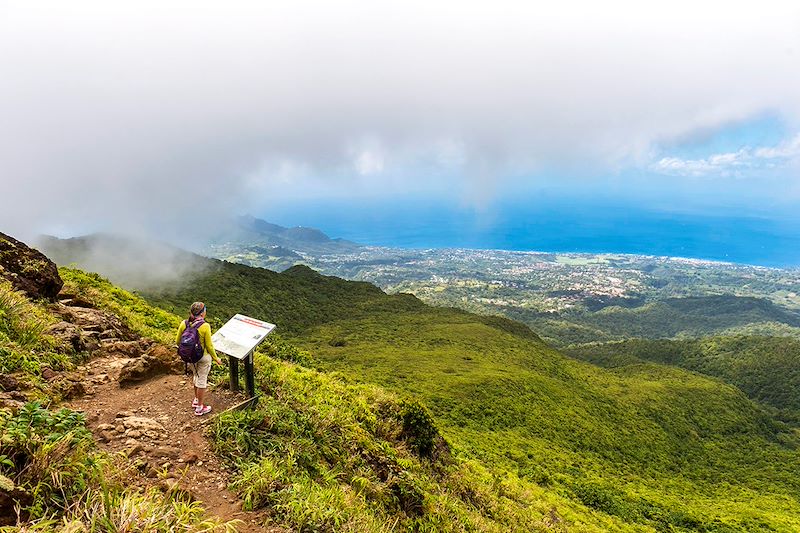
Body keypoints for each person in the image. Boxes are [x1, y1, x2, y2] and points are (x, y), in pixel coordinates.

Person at [176, 301, 223, 416]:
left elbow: (178, 341)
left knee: (196, 376)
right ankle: (200, 407)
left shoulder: (184, 323)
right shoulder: (205, 326)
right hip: (203, 357)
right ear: (202, 313)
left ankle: (196, 400)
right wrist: (216, 358)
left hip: (190, 357)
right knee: (202, 379)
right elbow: (209, 346)